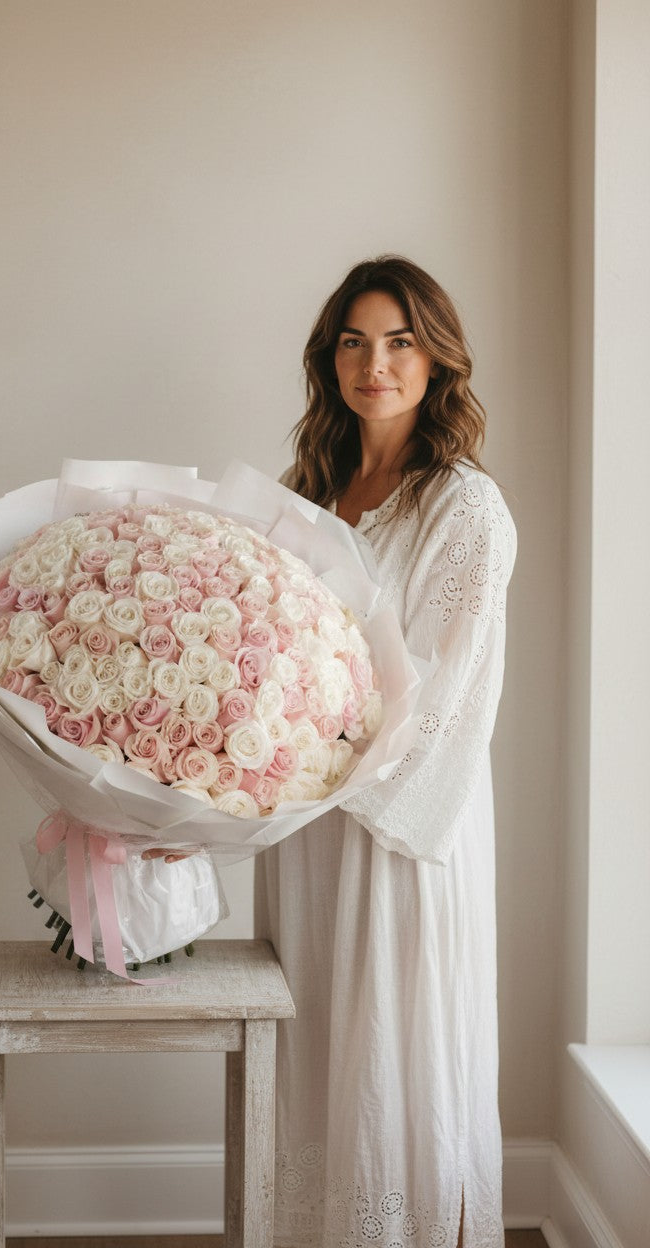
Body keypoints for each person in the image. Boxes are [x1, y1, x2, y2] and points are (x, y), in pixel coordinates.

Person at [253, 255, 516, 1248]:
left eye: (399, 341)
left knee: (390, 1052)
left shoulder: (463, 507)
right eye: (355, 342)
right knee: (316, 1043)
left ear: (435, 358)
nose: (377, 363)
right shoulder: (309, 491)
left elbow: (442, 692)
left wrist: (312, 762)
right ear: (330, 361)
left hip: (398, 831)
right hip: (308, 828)